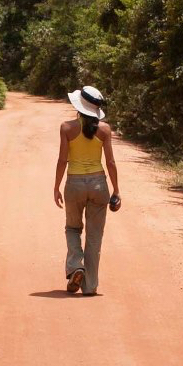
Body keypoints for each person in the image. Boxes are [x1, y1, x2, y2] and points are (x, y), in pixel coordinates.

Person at [53, 85, 120, 296]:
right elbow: (110, 162)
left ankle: (76, 266)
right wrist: (116, 190)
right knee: (94, 236)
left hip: (74, 184)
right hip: (99, 185)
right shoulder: (105, 130)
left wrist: (56, 187)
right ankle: (90, 286)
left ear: (78, 106)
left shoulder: (66, 128)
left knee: (73, 229)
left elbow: (63, 160)